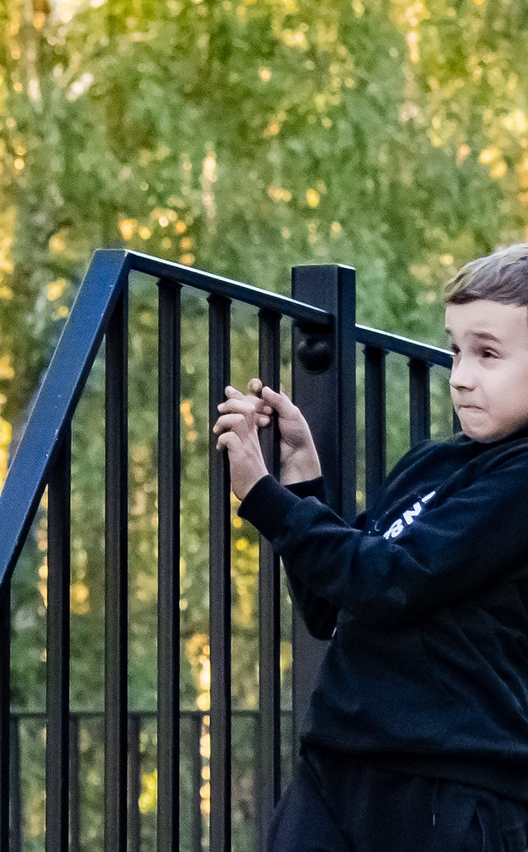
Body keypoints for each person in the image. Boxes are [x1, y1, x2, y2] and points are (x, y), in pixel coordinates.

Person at [214, 246, 528, 851]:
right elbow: (331, 605)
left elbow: (393, 579)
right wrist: (302, 477)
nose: (461, 374)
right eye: (457, 349)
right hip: (336, 764)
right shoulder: (431, 464)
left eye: (488, 354)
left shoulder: (518, 480)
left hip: (451, 786)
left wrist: (262, 496)